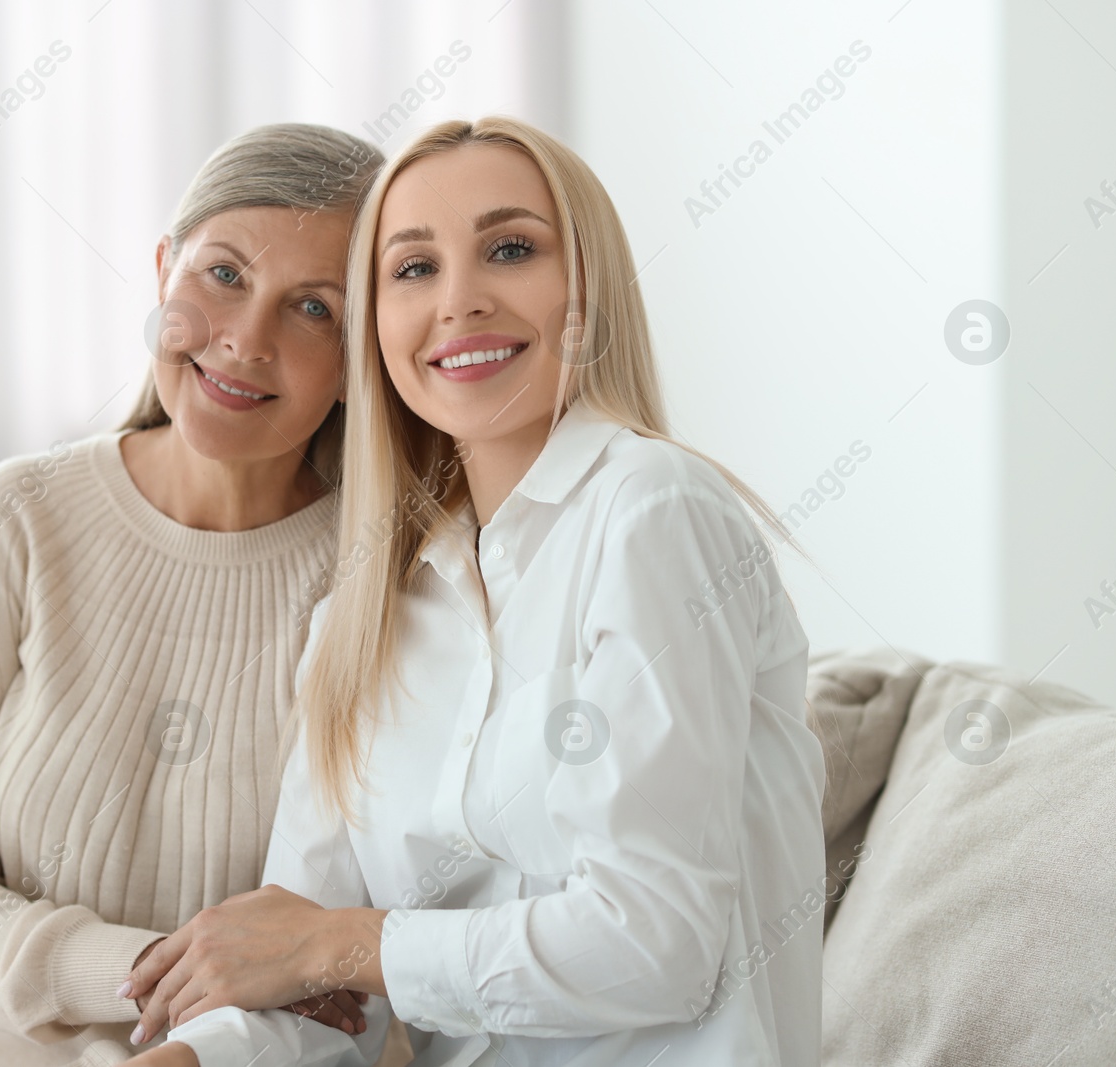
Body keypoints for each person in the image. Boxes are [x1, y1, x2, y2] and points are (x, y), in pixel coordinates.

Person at [119, 115, 827, 1067]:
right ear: (376, 323)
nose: (460, 301)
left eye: (510, 249)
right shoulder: (362, 614)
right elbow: (314, 995)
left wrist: (342, 945)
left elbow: (658, 947)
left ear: (587, 289)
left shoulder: (652, 510)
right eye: (413, 269)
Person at [0, 122, 385, 1067]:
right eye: (223, 275)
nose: (244, 339)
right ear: (161, 271)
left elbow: (347, 968)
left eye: (313, 308)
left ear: (360, 357)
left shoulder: (380, 578)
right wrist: (153, 968)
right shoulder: (20, 514)